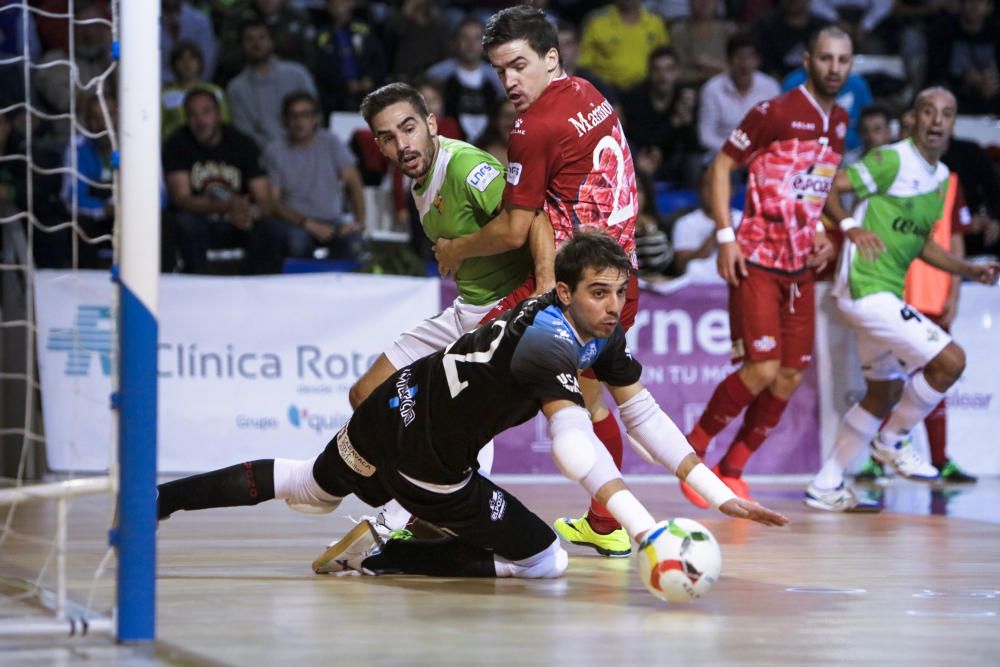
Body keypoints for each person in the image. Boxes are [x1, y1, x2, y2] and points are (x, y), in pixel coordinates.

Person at [157, 233, 788, 580]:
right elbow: (573, 446)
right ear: (564, 291)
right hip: (429, 462)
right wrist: (646, 528)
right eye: (599, 294)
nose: (613, 306)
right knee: (546, 562)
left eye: (620, 293)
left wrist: (711, 490)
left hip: (390, 404)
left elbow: (641, 411)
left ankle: (159, 500)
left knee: (308, 486)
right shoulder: (550, 342)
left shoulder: (580, 324)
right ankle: (386, 554)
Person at [433, 6, 641, 558]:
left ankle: (440, 512)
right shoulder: (588, 93)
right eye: (500, 70)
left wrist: (454, 248)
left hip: (569, 295)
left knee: (467, 385)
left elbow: (511, 228)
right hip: (619, 283)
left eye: (519, 66)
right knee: (593, 405)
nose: (509, 83)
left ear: (552, 58)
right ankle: (607, 523)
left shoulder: (534, 126)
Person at [346, 82, 549, 532]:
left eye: (409, 128)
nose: (402, 144)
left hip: (506, 309)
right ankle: (423, 511)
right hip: (466, 310)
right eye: (387, 137)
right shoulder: (418, 179)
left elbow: (530, 222)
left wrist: (543, 287)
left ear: (431, 124)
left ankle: (412, 518)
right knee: (365, 395)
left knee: (462, 418)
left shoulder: (467, 167)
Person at [679, 26, 851, 509]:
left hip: (801, 269)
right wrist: (726, 236)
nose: (834, 68)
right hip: (756, 258)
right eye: (826, 58)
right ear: (807, 60)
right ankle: (690, 453)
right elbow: (720, 168)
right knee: (762, 367)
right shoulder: (773, 111)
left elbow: (817, 183)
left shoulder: (838, 120)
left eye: (843, 60)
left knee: (790, 376)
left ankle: (732, 469)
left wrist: (828, 226)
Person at [805, 87, 1000, 511]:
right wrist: (851, 226)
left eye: (946, 113)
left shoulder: (942, 179)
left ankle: (826, 483)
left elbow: (921, 245)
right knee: (951, 361)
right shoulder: (891, 159)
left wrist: (967, 271)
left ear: (953, 123)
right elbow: (826, 189)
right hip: (864, 287)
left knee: (882, 393)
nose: (936, 120)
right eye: (928, 111)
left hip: (882, 292)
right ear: (913, 118)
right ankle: (892, 441)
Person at [163, 88, 286, 275]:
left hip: (238, 221)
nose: (201, 121)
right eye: (193, 115)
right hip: (201, 222)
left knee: (272, 229)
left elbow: (264, 199)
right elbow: (181, 199)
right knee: (184, 223)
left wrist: (249, 212)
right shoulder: (178, 143)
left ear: (219, 113)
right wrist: (226, 205)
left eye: (206, 112)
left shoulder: (242, 143)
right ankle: (197, 283)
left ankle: (256, 286)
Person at [263, 91, 365, 261]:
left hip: (333, 222)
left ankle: (338, 286)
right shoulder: (275, 151)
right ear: (285, 120)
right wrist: (307, 224)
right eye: (293, 115)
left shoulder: (331, 143)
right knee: (296, 241)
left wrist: (359, 223)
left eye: (305, 114)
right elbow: (274, 202)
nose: (299, 121)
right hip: (295, 223)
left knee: (353, 242)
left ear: (315, 118)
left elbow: (354, 183)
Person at [226, 20, 318, 150]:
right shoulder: (236, 88)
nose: (256, 44)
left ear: (272, 42)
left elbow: (314, 116)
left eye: (261, 37)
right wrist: (276, 152)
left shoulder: (298, 74)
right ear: (241, 45)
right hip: (262, 156)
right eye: (249, 39)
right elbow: (245, 134)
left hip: (305, 149)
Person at [697, 32, 781, 156]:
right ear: (729, 60)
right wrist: (737, 149)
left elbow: (777, 130)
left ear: (758, 60)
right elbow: (706, 136)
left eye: (749, 57)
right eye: (739, 57)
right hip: (722, 154)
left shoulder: (770, 87)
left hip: (761, 153)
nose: (744, 64)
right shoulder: (712, 89)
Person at [161, 40, 231, 141]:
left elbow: (225, 123)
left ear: (200, 62)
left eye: (192, 58)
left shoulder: (215, 91)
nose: (187, 63)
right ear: (174, 64)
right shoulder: (165, 95)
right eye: (181, 59)